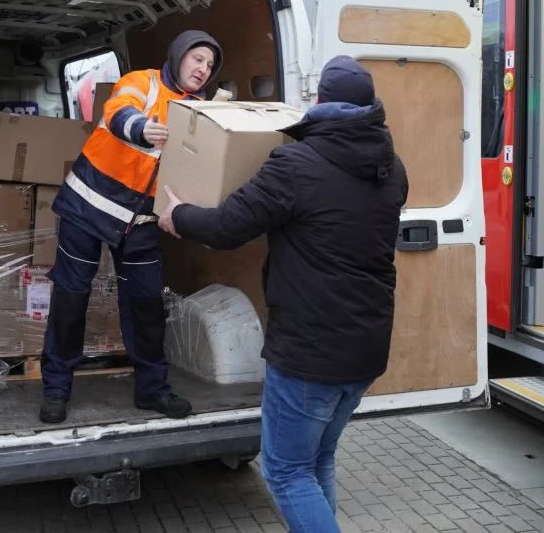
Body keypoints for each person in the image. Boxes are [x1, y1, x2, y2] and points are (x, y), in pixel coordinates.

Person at [157, 56, 408, 531]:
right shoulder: (391, 168)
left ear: (320, 103)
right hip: (366, 345)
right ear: (369, 106)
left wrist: (179, 214)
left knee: (287, 471)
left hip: (310, 352)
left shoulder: (296, 164)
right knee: (317, 461)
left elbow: (228, 227)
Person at [38, 30, 223, 424]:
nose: (202, 69)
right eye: (197, 59)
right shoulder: (143, 82)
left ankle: (152, 390)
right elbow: (118, 110)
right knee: (71, 298)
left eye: (209, 65)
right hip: (87, 209)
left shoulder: (201, 112)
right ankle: (56, 388)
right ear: (178, 55)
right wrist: (139, 127)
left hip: (139, 223)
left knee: (146, 305)